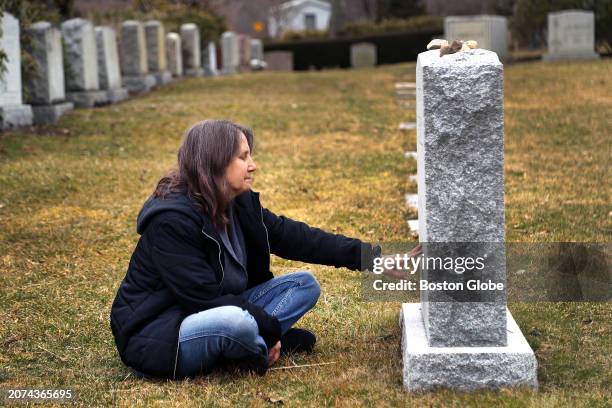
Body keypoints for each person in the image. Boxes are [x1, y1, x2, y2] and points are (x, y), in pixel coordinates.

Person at [110, 119, 380, 379]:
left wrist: (370, 258)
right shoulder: (171, 221)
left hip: (220, 311)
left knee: (304, 285)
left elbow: (298, 238)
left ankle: (247, 345)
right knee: (236, 322)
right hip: (163, 333)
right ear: (216, 162)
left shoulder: (238, 202)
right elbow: (204, 299)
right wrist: (271, 327)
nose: (253, 166)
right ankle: (250, 343)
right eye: (243, 157)